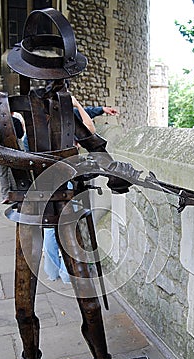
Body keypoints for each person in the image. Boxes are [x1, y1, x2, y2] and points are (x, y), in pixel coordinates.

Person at [0, 8, 138, 359]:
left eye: (58, 82)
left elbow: (97, 150)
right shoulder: (3, 107)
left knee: (88, 299)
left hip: (69, 211)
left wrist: (117, 173)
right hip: (29, 212)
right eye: (45, 80)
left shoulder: (67, 109)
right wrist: (52, 163)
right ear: (27, 73)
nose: (51, 88)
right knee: (22, 304)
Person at [44, 103, 119, 284]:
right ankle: (66, 273)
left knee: (49, 227)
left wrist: (100, 110)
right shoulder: (68, 125)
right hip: (66, 179)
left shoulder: (39, 123)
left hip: (43, 181)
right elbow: (89, 129)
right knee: (68, 227)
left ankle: (52, 271)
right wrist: (76, 103)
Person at [0, 114, 24, 204]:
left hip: (1, 149)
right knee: (15, 171)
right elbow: (20, 134)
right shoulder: (15, 120)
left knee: (2, 173)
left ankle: (6, 195)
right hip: (14, 148)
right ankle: (16, 194)